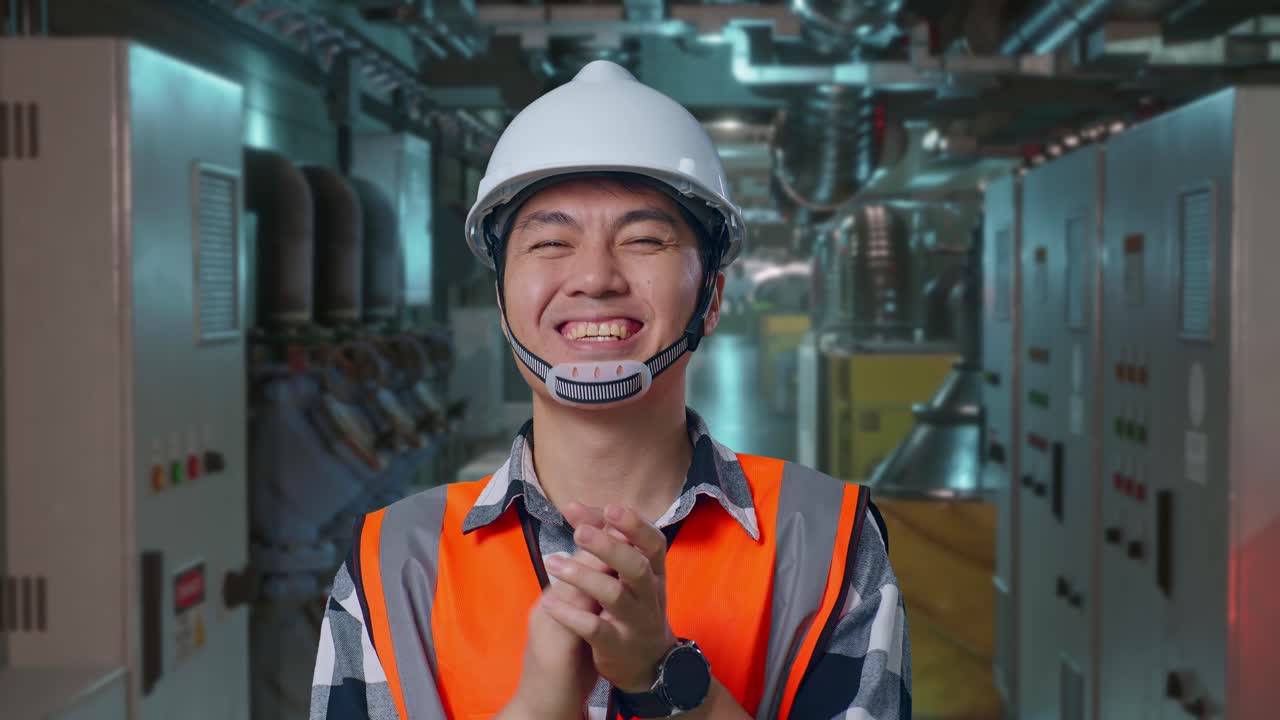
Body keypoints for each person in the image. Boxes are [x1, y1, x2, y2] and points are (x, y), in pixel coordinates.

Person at [310, 60, 911, 719]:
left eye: (645, 238)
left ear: (712, 296)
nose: (594, 277)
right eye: (550, 242)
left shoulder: (828, 543)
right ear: (503, 298)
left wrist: (667, 680)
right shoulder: (391, 563)